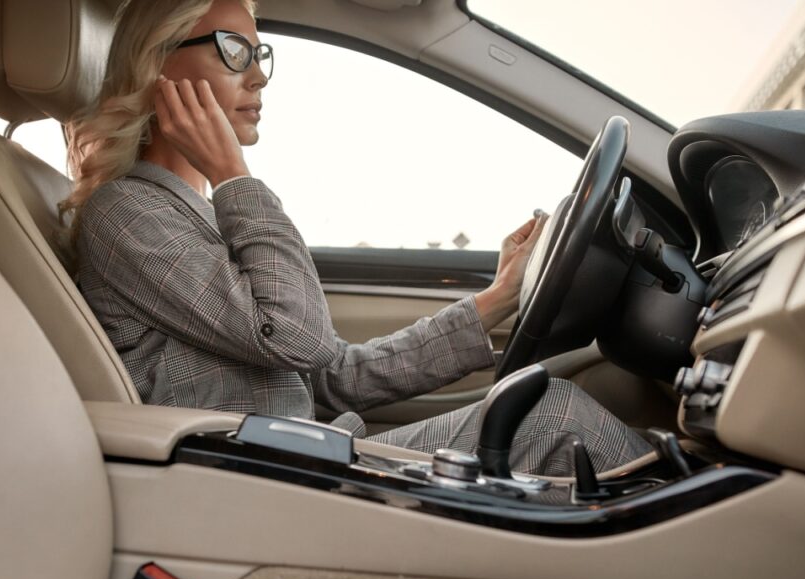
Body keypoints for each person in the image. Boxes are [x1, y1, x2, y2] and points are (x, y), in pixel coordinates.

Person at [61, 0, 651, 475]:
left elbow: (333, 374)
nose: (259, 74)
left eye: (260, 51)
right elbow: (296, 335)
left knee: (564, 419)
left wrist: (495, 298)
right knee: (555, 416)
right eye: (234, 49)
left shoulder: (200, 214)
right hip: (266, 481)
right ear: (156, 66)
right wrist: (234, 176)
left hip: (307, 459)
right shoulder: (127, 213)